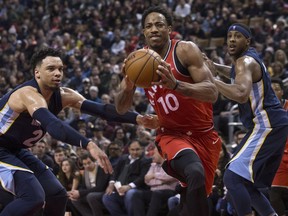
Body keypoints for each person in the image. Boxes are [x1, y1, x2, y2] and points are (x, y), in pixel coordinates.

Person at [0, 47, 159, 216]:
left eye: (60, 69)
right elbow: (53, 125)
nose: (58, 73)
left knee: (57, 194)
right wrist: (88, 144)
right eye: (51, 69)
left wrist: (138, 119)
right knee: (33, 197)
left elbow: (102, 110)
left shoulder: (63, 95)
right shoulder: (28, 94)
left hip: (15, 150)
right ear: (37, 73)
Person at [114, 6, 222, 216]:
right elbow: (120, 108)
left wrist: (176, 85)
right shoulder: (138, 60)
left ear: (169, 28)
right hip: (172, 134)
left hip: (203, 134)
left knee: (195, 194)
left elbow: (212, 92)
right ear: (144, 32)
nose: (154, 29)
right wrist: (127, 88)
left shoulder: (185, 50)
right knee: (195, 173)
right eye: (149, 26)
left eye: (159, 24)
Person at [204, 23, 288, 216]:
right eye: (229, 36)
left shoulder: (245, 61)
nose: (232, 39)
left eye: (238, 36)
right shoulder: (245, 62)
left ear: (247, 41)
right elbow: (235, 74)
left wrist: (210, 79)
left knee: (232, 178)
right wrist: (214, 67)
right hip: (273, 124)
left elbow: (241, 93)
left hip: (267, 124)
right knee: (247, 184)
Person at [102, 139, 152, 216]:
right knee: (107, 197)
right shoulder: (123, 158)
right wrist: (111, 184)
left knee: (130, 193)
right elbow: (114, 173)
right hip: (120, 189)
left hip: (138, 189)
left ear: (142, 149)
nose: (135, 152)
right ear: (128, 149)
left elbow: (142, 178)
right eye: (132, 150)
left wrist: (129, 186)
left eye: (137, 149)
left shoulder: (146, 160)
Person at [131, 147, 178, 216]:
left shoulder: (171, 164)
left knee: (157, 193)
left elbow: (169, 177)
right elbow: (147, 180)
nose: (152, 156)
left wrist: (154, 175)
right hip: (153, 192)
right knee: (136, 194)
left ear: (161, 154)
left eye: (154, 153)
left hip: (168, 191)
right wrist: (161, 182)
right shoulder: (153, 165)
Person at [269, 78, 288, 216]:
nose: (273, 92)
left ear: (282, 92)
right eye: (271, 89)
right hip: (278, 156)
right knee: (274, 195)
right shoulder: (265, 110)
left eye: (276, 89)